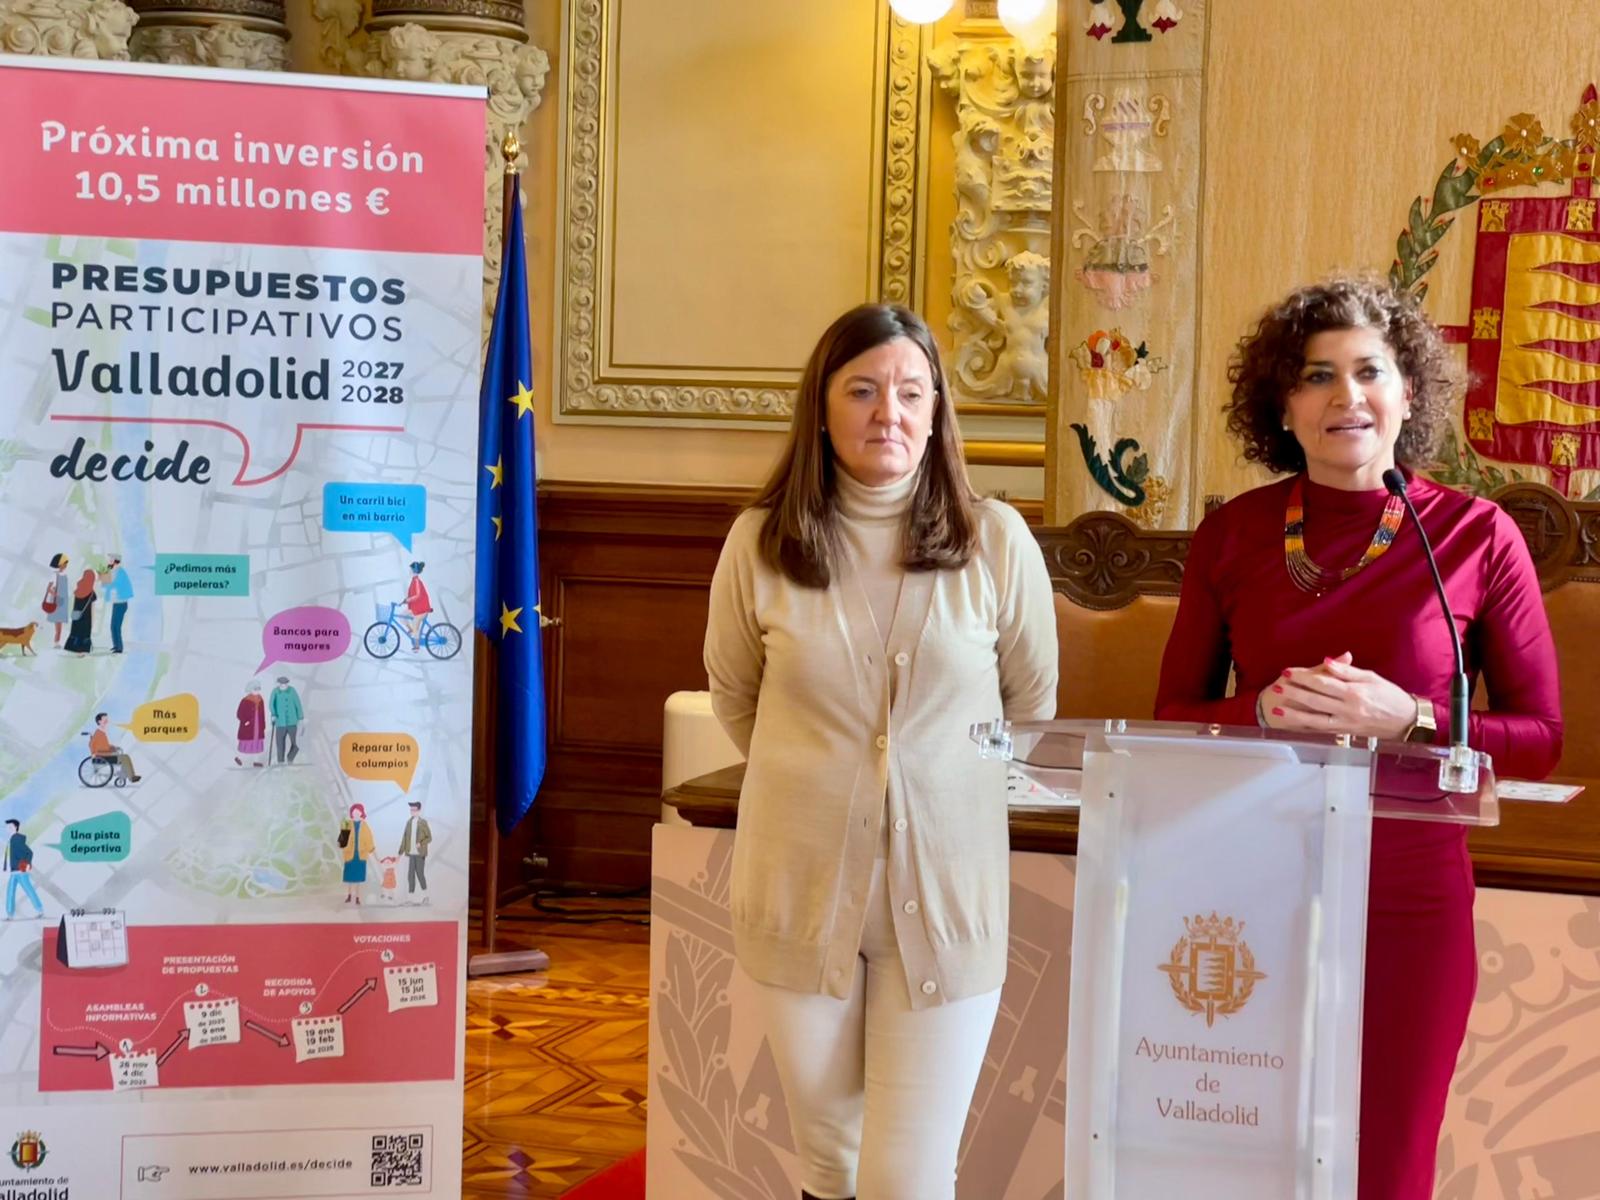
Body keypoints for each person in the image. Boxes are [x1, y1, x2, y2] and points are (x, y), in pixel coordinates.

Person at [1153, 276, 1562, 1200]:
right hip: (1250, 890)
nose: (1347, 396)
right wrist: (1258, 712)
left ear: (1408, 394)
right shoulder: (1231, 535)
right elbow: (1171, 717)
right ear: (1283, 407)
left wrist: (1408, 717)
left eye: (1370, 371)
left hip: (1409, 897)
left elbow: (1541, 738)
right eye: (1317, 375)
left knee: (1386, 1171)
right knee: (1249, 1166)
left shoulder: (1476, 535)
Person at [704, 303, 1058, 1200]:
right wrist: (823, 774)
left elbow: (1030, 705)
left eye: (909, 392)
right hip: (798, 892)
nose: (887, 413)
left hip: (947, 901)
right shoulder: (759, 543)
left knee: (910, 1178)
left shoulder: (995, 540)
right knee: (829, 1163)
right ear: (821, 410)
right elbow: (737, 698)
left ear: (937, 411)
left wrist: (932, 779)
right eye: (861, 391)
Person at [4, 819, 44, 921]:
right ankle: (10, 914)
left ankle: (39, 910)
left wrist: (26, 864)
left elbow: (29, 852)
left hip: (20, 871)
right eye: (7, 827)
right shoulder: (12, 839)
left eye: (10, 827)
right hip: (14, 871)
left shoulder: (16, 839)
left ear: (15, 828)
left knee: (28, 890)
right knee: (11, 891)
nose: (7, 829)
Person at [88, 712, 141, 784]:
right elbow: (91, 744)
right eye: (105, 719)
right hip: (103, 757)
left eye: (107, 719)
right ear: (99, 721)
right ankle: (131, 777)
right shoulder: (98, 733)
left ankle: (125, 774)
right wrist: (93, 753)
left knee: (124, 756)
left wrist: (113, 747)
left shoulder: (102, 732)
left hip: (106, 754)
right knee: (124, 758)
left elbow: (104, 745)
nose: (107, 721)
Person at [339, 802, 375, 905]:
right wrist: (342, 840)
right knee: (350, 878)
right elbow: (342, 841)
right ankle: (349, 895)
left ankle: (358, 897)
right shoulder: (347, 824)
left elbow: (369, 840)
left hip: (360, 856)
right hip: (350, 855)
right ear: (351, 813)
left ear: (361, 813)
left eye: (358, 812)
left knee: (358, 879)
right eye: (354, 812)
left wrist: (373, 852)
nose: (356, 814)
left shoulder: (364, 825)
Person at [397, 799, 431, 904]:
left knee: (420, 874)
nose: (412, 812)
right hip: (411, 853)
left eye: (414, 810)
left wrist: (421, 843)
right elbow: (404, 838)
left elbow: (429, 837)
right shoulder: (409, 822)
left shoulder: (423, 822)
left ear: (419, 810)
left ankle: (426, 896)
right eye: (411, 810)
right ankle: (410, 899)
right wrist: (400, 853)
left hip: (420, 853)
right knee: (410, 875)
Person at [100, 553, 133, 654]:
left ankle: (119, 647)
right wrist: (104, 577)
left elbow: (116, 584)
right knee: (113, 626)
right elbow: (106, 585)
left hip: (121, 603)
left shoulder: (120, 572)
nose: (109, 561)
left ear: (115, 561)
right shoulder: (112, 571)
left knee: (116, 626)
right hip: (116, 603)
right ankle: (116, 646)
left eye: (111, 559)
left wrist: (107, 581)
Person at [63, 567, 96, 656]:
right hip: (86, 618)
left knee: (75, 631)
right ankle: (82, 651)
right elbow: (92, 609)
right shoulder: (91, 593)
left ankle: (73, 648)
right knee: (84, 634)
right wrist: (93, 621)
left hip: (76, 616)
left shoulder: (78, 588)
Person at [270, 676, 303, 764]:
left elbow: (297, 703)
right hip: (280, 722)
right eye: (281, 683)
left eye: (285, 683)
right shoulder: (275, 691)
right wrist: (273, 714)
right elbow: (271, 704)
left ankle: (290, 757)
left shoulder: (292, 691)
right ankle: (280, 761)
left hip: (292, 721)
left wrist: (300, 717)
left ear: (287, 683)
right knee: (280, 744)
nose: (283, 685)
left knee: (295, 743)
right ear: (279, 683)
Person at [235, 680, 267, 767]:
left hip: (258, 726)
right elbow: (239, 713)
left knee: (256, 744)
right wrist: (245, 721)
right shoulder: (245, 700)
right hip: (248, 727)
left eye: (258, 689)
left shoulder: (261, 700)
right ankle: (239, 758)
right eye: (255, 689)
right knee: (245, 744)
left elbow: (263, 714)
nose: (257, 691)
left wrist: (263, 724)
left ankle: (256, 761)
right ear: (250, 689)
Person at [402, 561, 432, 649]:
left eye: (410, 569)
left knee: (415, 625)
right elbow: (412, 594)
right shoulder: (413, 581)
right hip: (416, 607)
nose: (409, 571)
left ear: (414, 571)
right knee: (402, 616)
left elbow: (418, 595)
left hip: (422, 608)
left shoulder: (417, 581)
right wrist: (406, 600)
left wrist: (408, 600)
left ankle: (416, 645)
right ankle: (411, 630)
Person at [44, 553, 69, 648]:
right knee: (58, 624)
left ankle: (57, 642)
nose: (66, 565)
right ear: (60, 564)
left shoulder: (65, 575)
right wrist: (56, 595)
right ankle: (56, 642)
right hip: (57, 602)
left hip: (63, 602)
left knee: (60, 623)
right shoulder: (54, 575)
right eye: (65, 563)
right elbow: (49, 589)